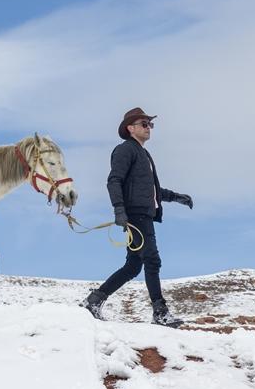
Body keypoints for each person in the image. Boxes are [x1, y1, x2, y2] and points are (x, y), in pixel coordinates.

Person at [80, 107, 194, 327]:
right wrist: (119, 210)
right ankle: (160, 313)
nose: (149, 127)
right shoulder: (125, 150)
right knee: (152, 259)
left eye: (150, 124)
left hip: (143, 214)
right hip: (136, 214)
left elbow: (150, 190)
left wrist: (175, 197)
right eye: (144, 124)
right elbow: (114, 181)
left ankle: (93, 301)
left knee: (133, 266)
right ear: (130, 128)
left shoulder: (144, 154)